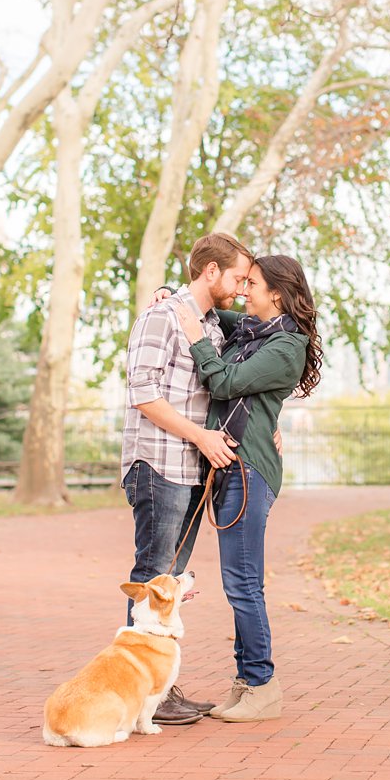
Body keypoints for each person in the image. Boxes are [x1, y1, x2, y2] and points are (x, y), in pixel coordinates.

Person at [171, 254, 323, 723]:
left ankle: (262, 684)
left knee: (243, 585)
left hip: (249, 471)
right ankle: (245, 682)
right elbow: (208, 304)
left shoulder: (285, 347)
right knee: (241, 583)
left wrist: (197, 341)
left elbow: (225, 382)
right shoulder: (252, 330)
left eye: (252, 284)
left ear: (276, 293)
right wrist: (169, 292)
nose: (244, 291)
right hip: (234, 469)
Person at [120, 232, 252, 725]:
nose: (242, 288)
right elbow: (143, 393)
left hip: (192, 468)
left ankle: (158, 691)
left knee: (168, 582)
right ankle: (143, 693)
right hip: (157, 464)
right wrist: (200, 437)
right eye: (238, 277)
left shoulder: (214, 325)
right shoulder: (161, 315)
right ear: (211, 271)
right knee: (151, 578)